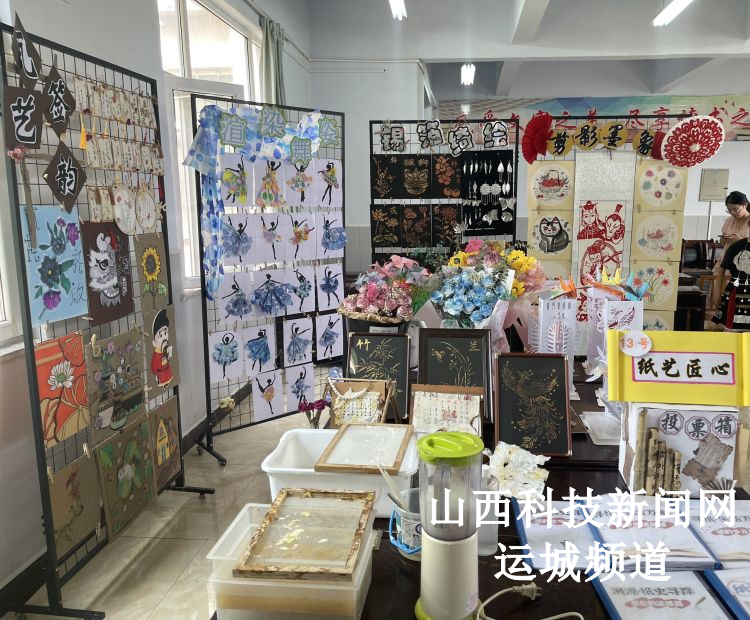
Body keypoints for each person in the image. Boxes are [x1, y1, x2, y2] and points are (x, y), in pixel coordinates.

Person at [712, 191, 750, 307]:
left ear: (745, 205)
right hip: (726, 258)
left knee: (735, 298)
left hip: (743, 264)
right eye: (729, 210)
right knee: (720, 296)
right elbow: (723, 241)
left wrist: (739, 240)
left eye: (735, 209)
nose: (732, 213)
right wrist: (724, 239)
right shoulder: (729, 220)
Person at [712, 231, 750, 331]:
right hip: (736, 292)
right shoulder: (737, 246)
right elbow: (721, 269)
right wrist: (717, 294)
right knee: (731, 329)